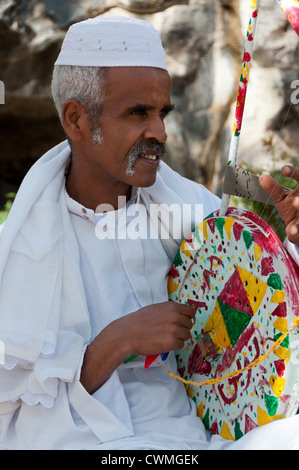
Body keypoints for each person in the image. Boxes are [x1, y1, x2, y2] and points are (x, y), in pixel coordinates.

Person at [0, 15, 299, 451]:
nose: (158, 132)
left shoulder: (192, 210)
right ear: (76, 120)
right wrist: (117, 342)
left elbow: (269, 307)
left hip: (203, 437)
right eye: (138, 113)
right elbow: (17, 404)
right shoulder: (22, 252)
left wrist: (291, 241)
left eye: (162, 113)